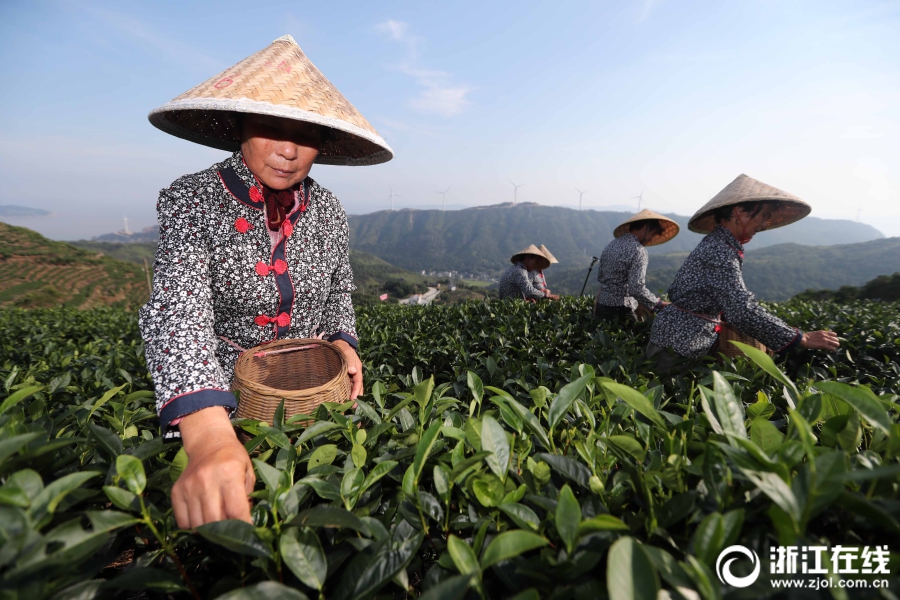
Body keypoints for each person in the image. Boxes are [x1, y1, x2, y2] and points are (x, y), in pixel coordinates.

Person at [139, 35, 393, 528]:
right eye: (270, 128)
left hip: (317, 394)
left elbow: (339, 289)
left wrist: (345, 341)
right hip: (228, 401)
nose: (288, 151)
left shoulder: (329, 210)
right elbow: (178, 310)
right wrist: (210, 436)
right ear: (238, 124)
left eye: (305, 134)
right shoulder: (191, 199)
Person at [648, 174, 840, 369]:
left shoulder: (720, 243)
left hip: (682, 338)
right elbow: (741, 310)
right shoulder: (721, 250)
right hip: (678, 344)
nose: (765, 224)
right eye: (764, 216)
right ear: (739, 212)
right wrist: (800, 338)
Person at [594, 209, 680, 322]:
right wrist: (659, 303)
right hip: (621, 310)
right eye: (652, 234)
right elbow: (636, 288)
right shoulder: (638, 251)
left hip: (601, 306)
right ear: (645, 227)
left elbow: (601, 276)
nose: (650, 239)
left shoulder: (611, 245)